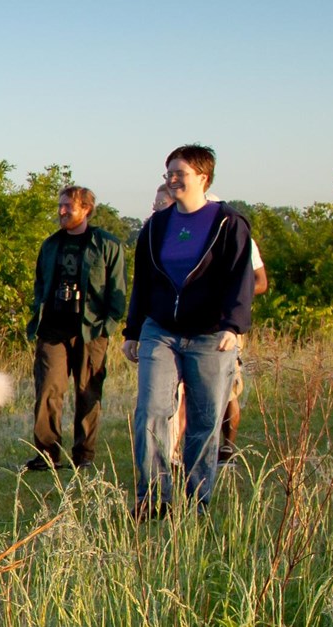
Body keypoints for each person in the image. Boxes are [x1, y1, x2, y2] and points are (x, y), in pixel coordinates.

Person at [122, 145, 254, 520]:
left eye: (180, 172)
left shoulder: (228, 223)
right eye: (169, 173)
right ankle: (153, 499)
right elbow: (143, 283)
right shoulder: (156, 225)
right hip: (160, 330)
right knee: (151, 412)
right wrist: (133, 330)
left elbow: (240, 278)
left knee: (203, 418)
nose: (172, 179)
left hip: (211, 335)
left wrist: (234, 324)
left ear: (203, 177)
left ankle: (198, 502)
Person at [157, 189, 270, 466]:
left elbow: (260, 282)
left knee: (225, 391)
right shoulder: (170, 233)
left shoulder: (231, 230)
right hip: (180, 325)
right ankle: (172, 453)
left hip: (222, 326)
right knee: (180, 392)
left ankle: (226, 450)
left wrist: (228, 298)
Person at [22, 186, 127, 471]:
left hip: (90, 330)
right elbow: (39, 283)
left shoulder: (107, 244)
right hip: (52, 328)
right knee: (47, 391)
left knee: (88, 392)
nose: (62, 211)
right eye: (61, 205)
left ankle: (84, 455)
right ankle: (45, 455)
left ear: (86, 209)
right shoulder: (50, 244)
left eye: (68, 206)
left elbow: (118, 291)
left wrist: (108, 326)